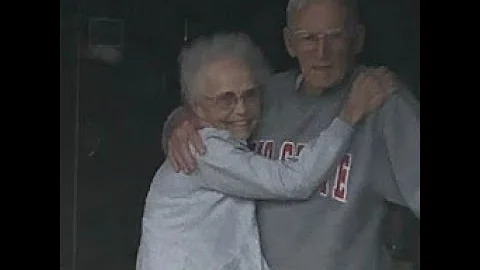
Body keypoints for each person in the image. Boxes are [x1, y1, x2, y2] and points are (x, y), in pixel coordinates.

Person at [163, 0, 420, 269]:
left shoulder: (380, 102)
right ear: (289, 43)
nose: (322, 52)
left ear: (357, 40)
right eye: (308, 38)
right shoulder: (263, 97)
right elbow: (207, 113)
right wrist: (181, 122)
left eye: (335, 37)